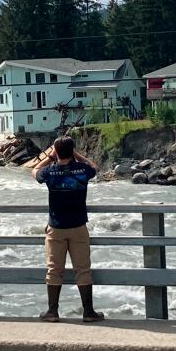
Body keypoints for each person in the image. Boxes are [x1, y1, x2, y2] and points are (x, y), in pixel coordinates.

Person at [31, 135, 104, 323]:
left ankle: (52, 312)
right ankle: (88, 312)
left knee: (54, 269)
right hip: (78, 226)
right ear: (72, 151)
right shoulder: (82, 170)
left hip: (56, 227)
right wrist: (77, 156)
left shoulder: (50, 172)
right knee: (83, 269)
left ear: (56, 152)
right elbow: (95, 167)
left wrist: (50, 156)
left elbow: (34, 170)